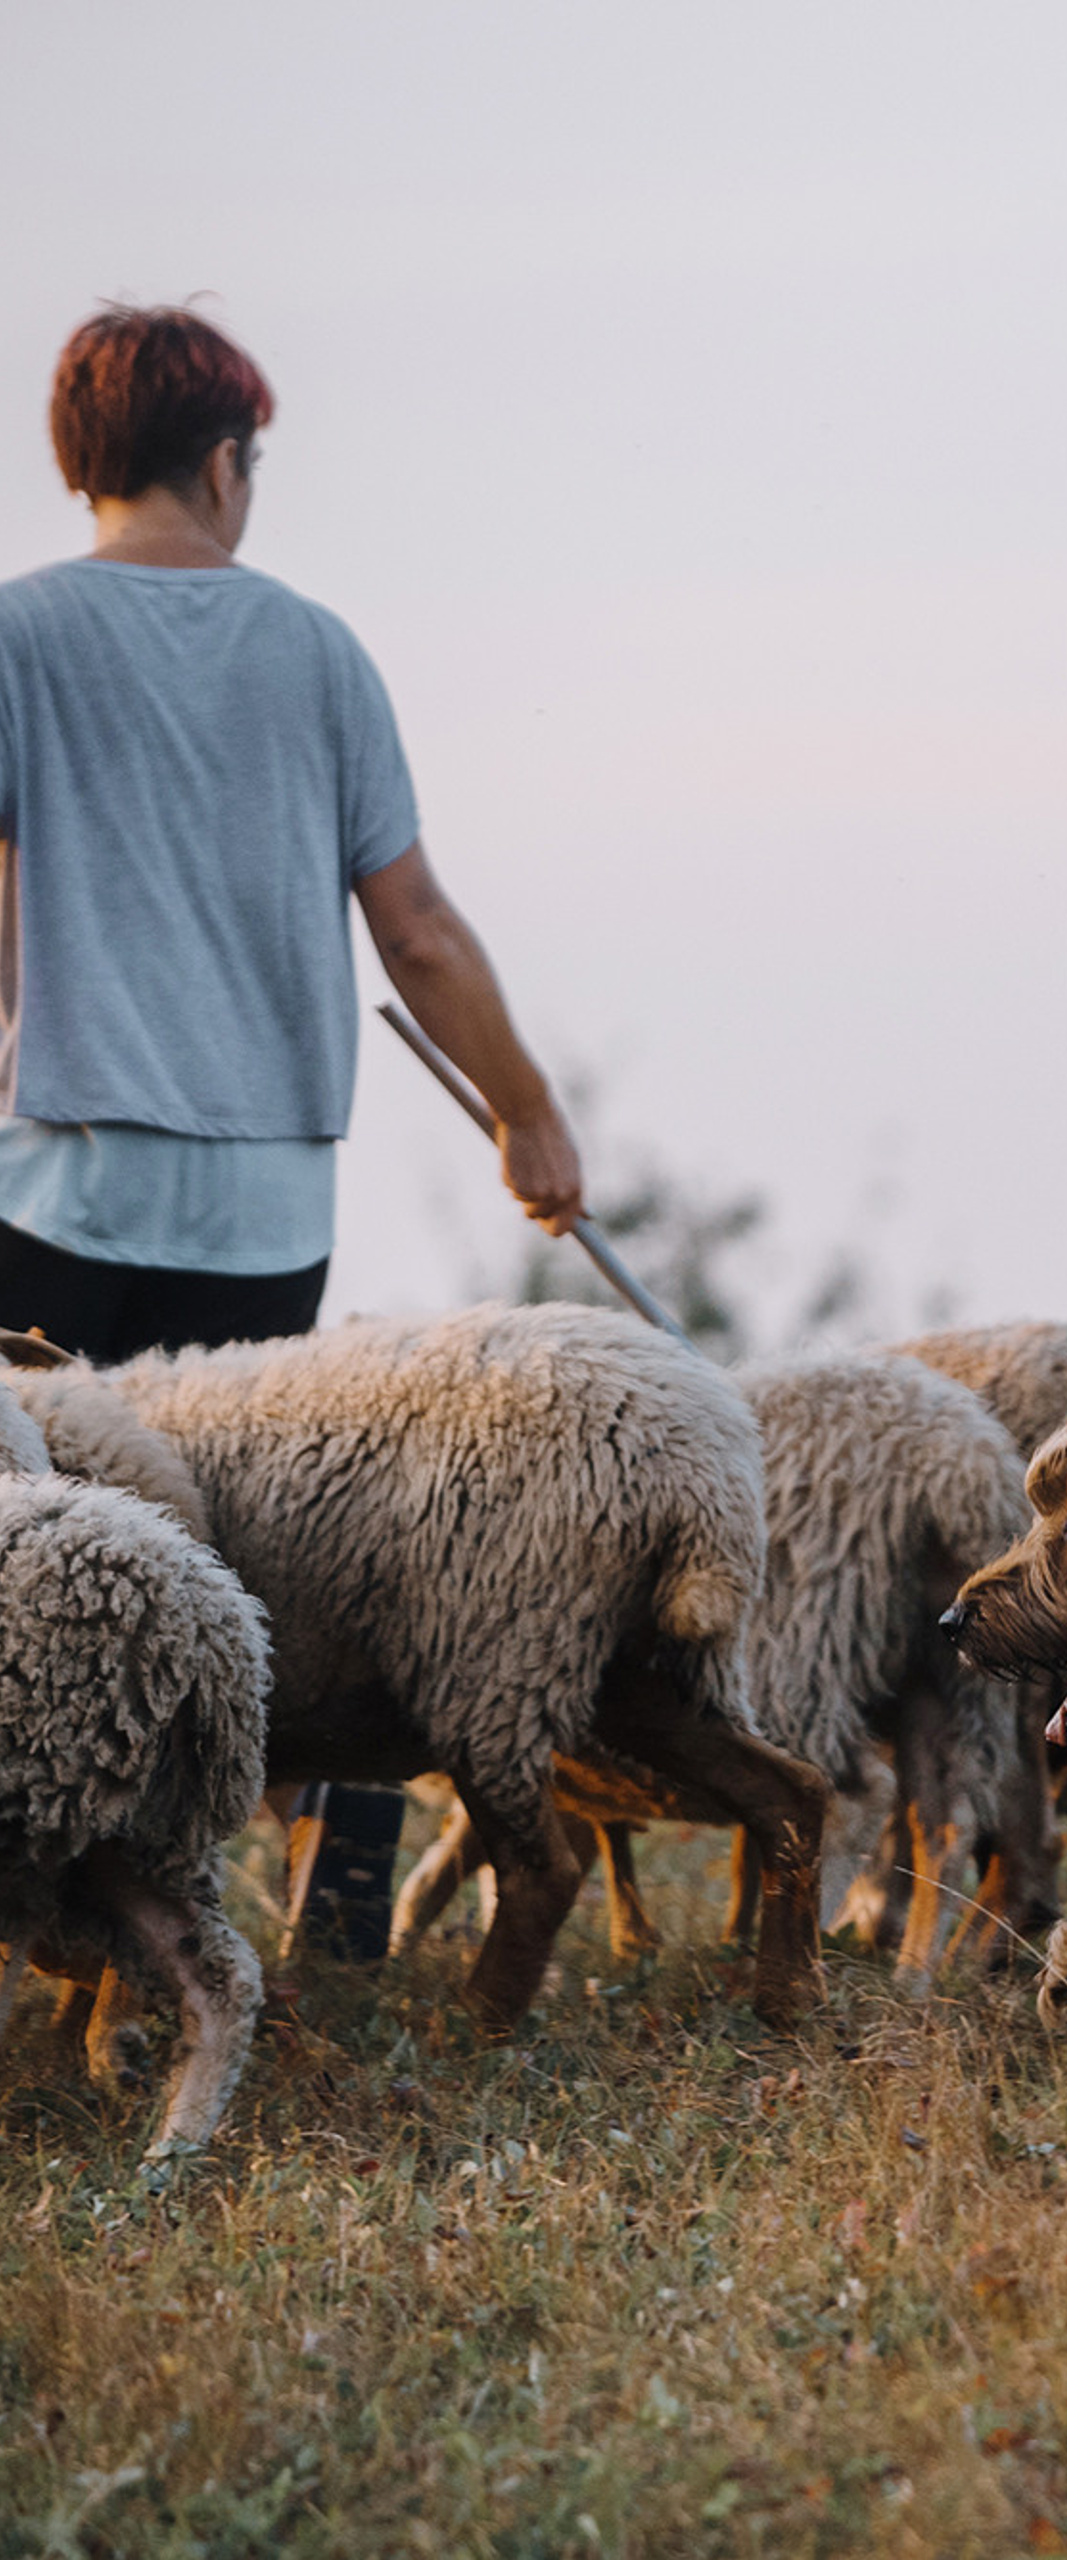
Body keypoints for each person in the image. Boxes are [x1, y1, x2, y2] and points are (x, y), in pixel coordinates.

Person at [0, 302, 586, 1952]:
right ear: (224, 459)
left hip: (59, 1179)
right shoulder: (320, 653)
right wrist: (527, 1115)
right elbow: (419, 932)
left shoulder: (18, 637)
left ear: (78, 461)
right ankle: (331, 1924)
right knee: (259, 1560)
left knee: (29, 1542)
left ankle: (82, 1916)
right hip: (264, 1203)